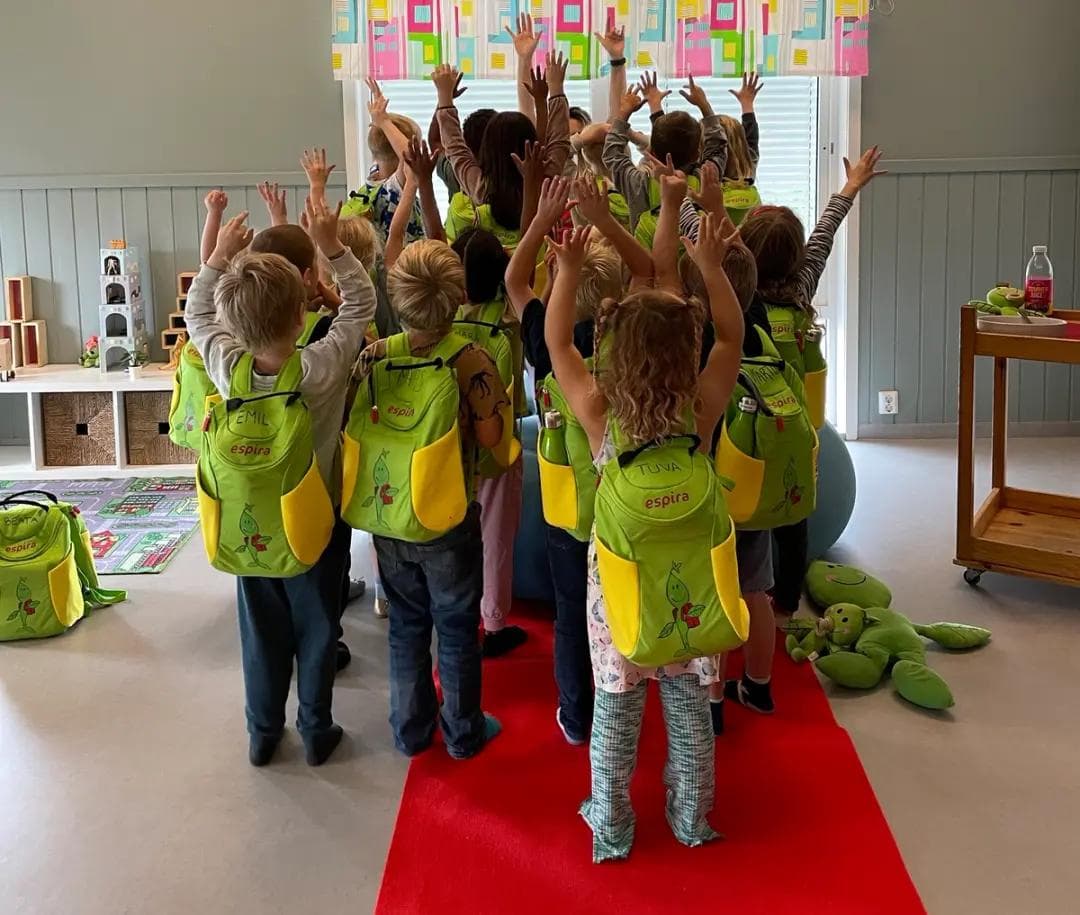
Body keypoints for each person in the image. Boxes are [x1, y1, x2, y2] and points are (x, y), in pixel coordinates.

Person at [544, 211, 744, 862]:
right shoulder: (700, 412)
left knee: (615, 718)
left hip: (620, 610)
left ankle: (612, 825)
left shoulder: (602, 417)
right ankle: (691, 817)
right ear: (685, 354)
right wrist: (712, 268)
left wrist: (569, 273)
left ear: (614, 358)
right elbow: (732, 342)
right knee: (690, 715)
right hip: (695, 602)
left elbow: (556, 347)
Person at [184, 196, 376, 768]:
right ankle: (316, 729)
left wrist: (219, 255)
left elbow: (196, 311)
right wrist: (332, 246)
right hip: (314, 521)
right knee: (318, 630)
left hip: (249, 527)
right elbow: (361, 303)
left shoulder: (225, 362)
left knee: (259, 634)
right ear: (300, 315)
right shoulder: (319, 368)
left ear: (234, 322)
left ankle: (262, 732)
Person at [355, 235, 510, 759]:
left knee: (405, 625)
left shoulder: (375, 356)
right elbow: (494, 441)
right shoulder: (471, 359)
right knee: (457, 628)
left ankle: (409, 730)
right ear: (460, 294)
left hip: (388, 512)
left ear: (396, 297)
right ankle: (463, 733)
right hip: (448, 516)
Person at [503, 175, 629, 744]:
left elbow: (513, 280)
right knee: (622, 603)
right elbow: (653, 274)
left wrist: (540, 222)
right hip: (623, 510)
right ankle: (622, 704)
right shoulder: (635, 343)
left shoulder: (545, 343)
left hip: (567, 513)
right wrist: (605, 224)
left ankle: (576, 716)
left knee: (570, 614)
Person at [435, 51, 572, 248]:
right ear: (532, 143)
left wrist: (444, 98)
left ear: (486, 150)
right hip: (546, 277)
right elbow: (559, 140)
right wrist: (556, 90)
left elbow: (456, 149)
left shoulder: (481, 189)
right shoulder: (545, 181)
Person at [603, 73, 729, 243]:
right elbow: (717, 147)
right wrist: (704, 106)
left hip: (650, 266)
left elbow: (612, 155)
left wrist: (623, 113)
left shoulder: (640, 185)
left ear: (651, 152)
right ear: (697, 153)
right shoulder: (706, 178)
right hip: (698, 265)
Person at [340, 80, 424, 244]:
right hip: (404, 266)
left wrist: (382, 121)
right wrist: (384, 122)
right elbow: (410, 157)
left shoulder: (372, 183)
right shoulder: (395, 188)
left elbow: (387, 144)